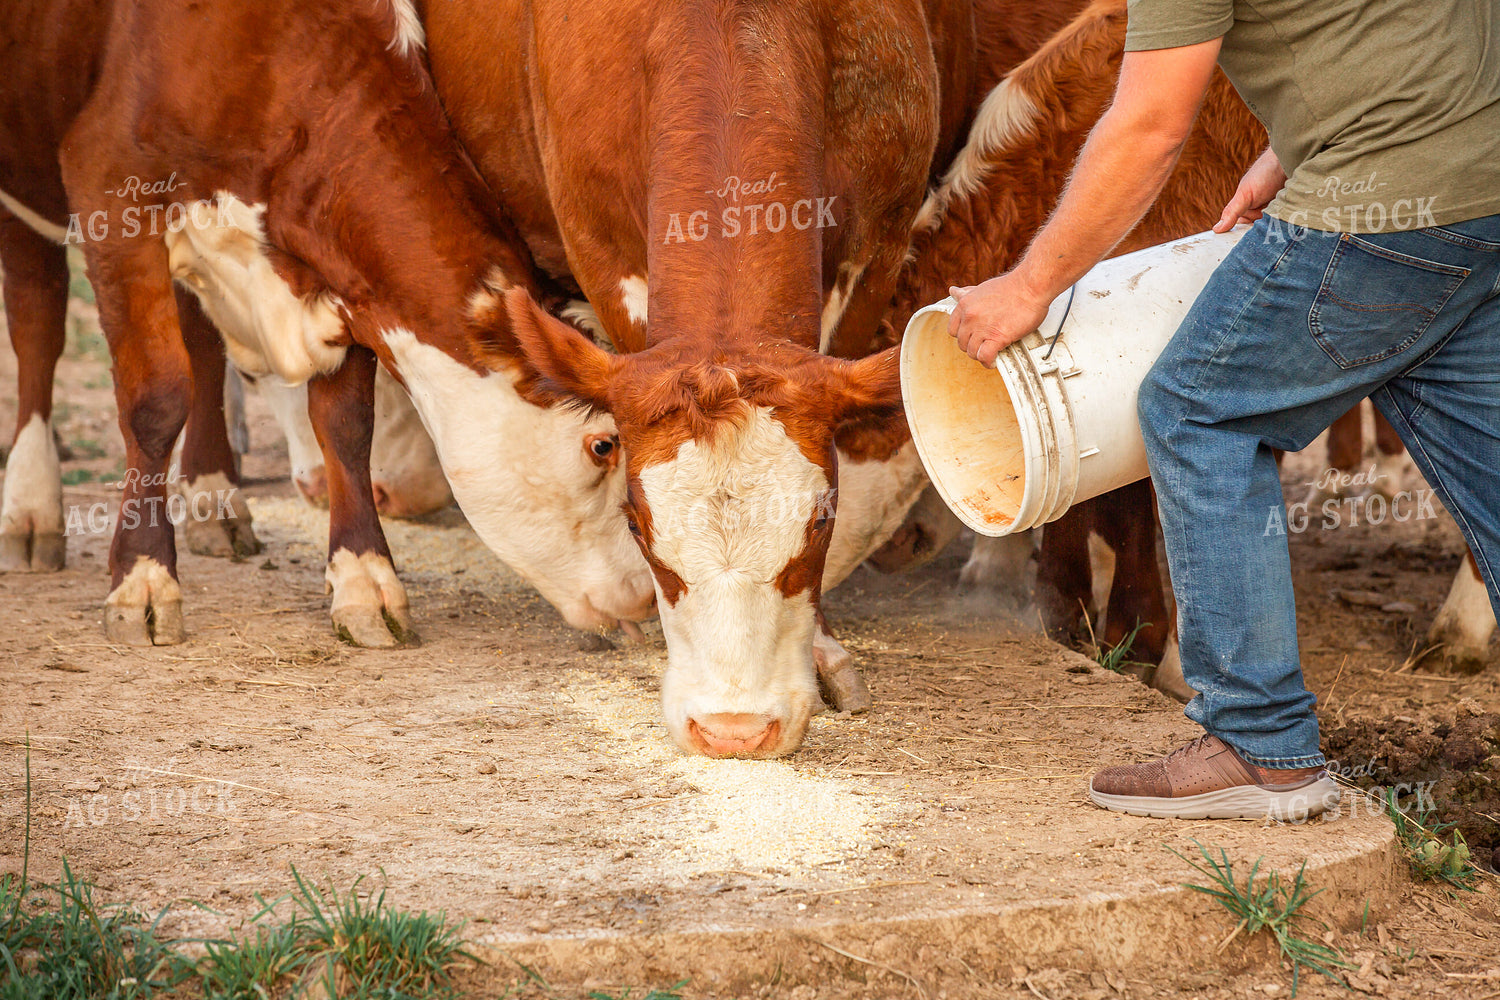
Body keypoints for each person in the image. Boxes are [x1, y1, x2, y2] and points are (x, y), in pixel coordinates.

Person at [946, 0, 1500, 821]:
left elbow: (1149, 128)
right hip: (1478, 189)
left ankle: (1257, 742)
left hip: (1378, 207)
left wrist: (1028, 288)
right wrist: (1297, 142)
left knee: (1200, 410)